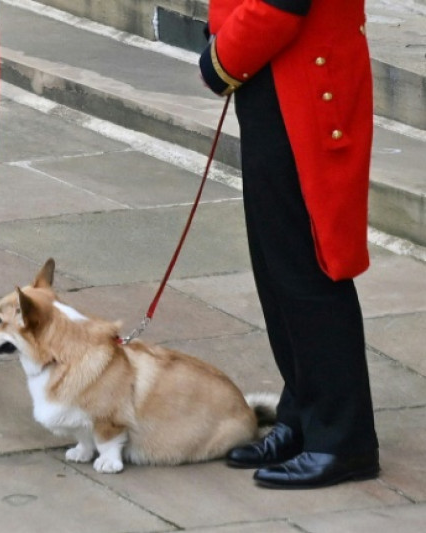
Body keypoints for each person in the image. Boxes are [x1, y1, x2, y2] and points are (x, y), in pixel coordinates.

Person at [198, 0, 379, 488]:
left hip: (304, 84)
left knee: (308, 271)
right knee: (276, 268)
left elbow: (283, 4)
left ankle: (345, 441)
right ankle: (302, 415)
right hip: (272, 78)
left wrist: (221, 58)